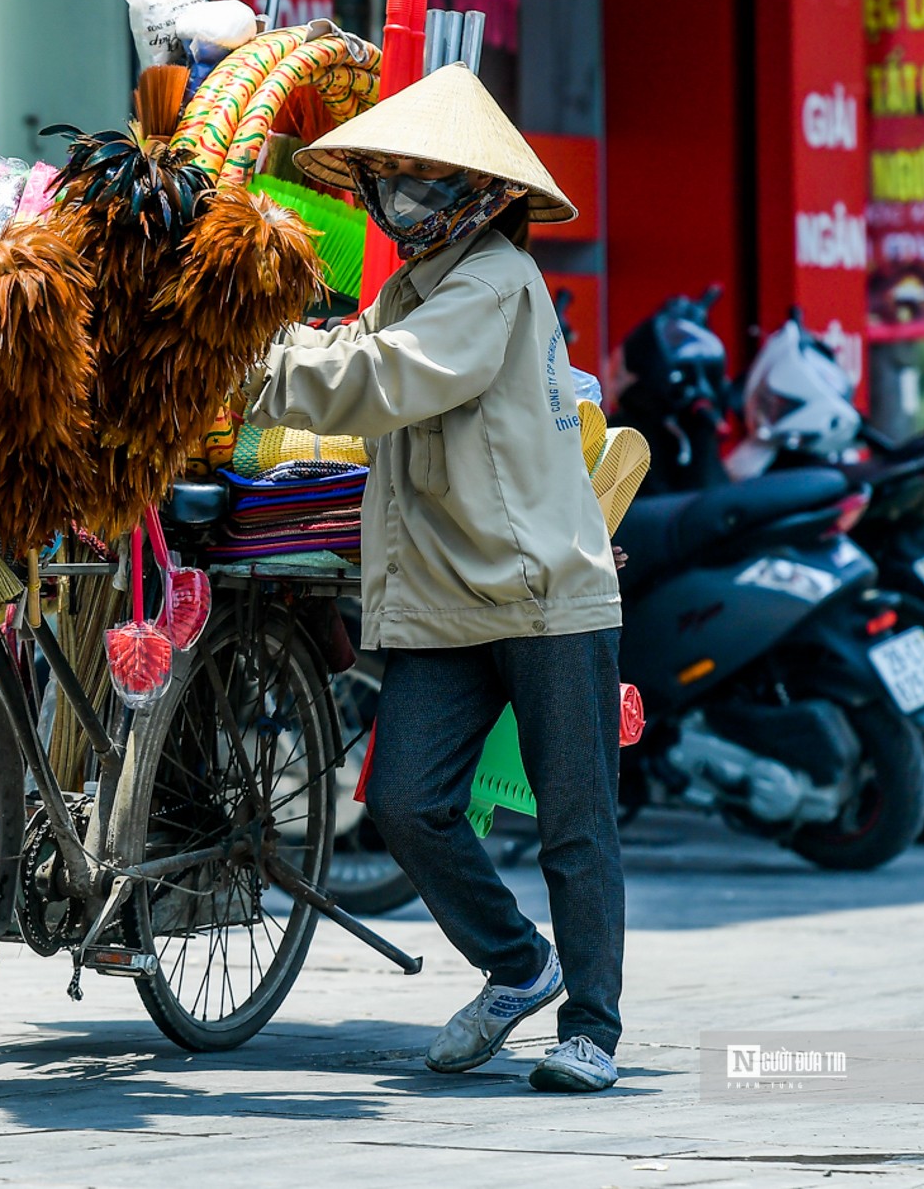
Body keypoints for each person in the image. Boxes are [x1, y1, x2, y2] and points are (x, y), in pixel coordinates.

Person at [238, 63, 626, 1093]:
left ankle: (590, 1025)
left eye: (428, 179)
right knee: (406, 804)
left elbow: (386, 378)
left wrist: (248, 372)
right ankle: (515, 964)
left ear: (485, 198)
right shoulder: (416, 287)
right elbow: (349, 344)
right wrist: (244, 338)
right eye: (394, 177)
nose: (405, 197)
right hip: (447, 604)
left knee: (574, 821)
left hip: (543, 593)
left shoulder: (493, 281)